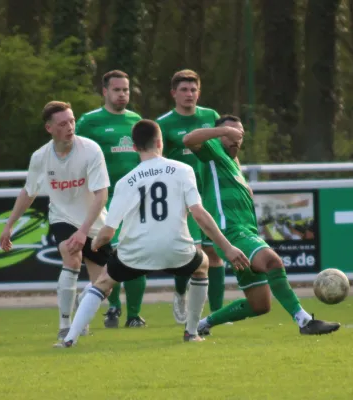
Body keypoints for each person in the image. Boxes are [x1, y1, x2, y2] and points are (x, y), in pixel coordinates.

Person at [53, 120, 250, 347]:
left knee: (103, 282)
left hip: (136, 252)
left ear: (135, 148)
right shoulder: (183, 170)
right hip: (176, 249)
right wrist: (227, 248)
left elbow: (108, 232)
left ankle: (69, 339)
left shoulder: (126, 181)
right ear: (160, 142)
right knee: (202, 265)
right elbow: (200, 215)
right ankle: (191, 332)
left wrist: (96, 244)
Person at [182, 115, 341, 335]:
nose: (236, 138)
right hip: (231, 232)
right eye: (231, 133)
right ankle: (304, 321)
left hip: (246, 231)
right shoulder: (212, 153)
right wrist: (222, 132)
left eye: (240, 134)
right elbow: (189, 140)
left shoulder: (233, 164)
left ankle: (201, 325)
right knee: (272, 261)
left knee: (260, 305)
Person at [0, 101, 112, 340]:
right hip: (62, 217)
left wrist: (84, 231)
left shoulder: (91, 150)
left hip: (93, 222)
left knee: (105, 285)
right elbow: (28, 192)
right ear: (49, 128)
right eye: (63, 123)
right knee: (71, 255)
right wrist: (9, 225)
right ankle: (65, 324)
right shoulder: (40, 157)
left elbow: (102, 194)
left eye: (72, 121)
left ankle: (82, 302)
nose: (70, 127)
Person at [75, 70, 147, 329]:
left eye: (125, 90)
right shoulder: (89, 122)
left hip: (136, 200)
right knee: (112, 256)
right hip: (104, 199)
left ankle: (135, 315)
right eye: (116, 90)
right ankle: (113, 307)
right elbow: (76, 155)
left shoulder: (136, 120)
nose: (122, 94)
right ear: (105, 91)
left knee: (138, 255)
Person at [156, 69, 226, 324]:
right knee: (191, 252)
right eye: (184, 90)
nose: (189, 94)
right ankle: (180, 292)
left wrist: (237, 174)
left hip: (209, 190)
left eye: (193, 89)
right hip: (179, 195)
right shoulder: (163, 124)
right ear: (174, 93)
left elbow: (228, 149)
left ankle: (217, 312)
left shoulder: (211, 116)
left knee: (215, 252)